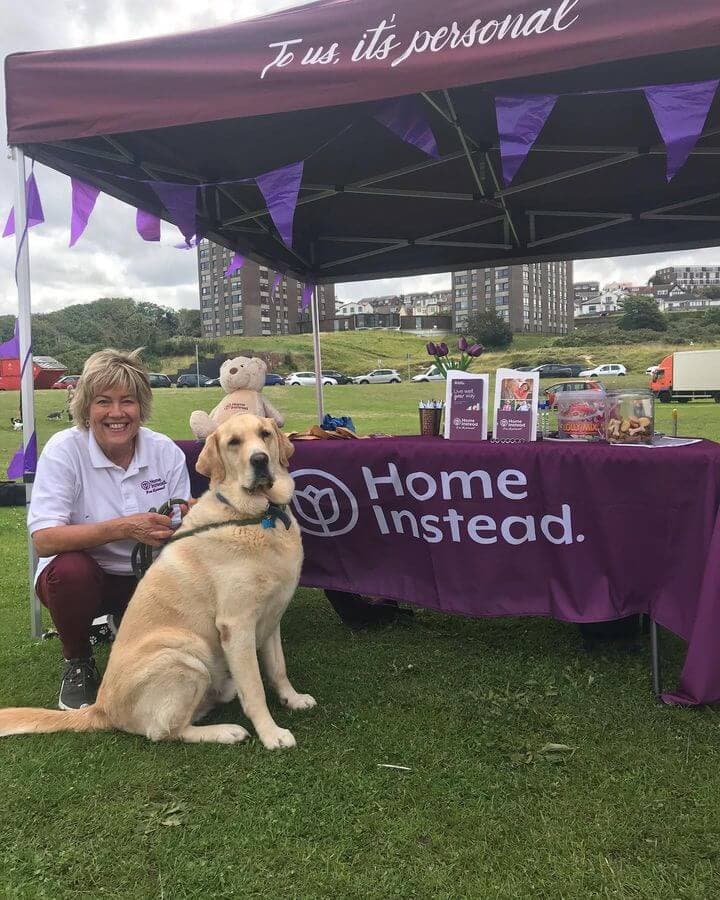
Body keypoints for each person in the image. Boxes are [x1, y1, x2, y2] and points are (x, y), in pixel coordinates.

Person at [28, 349, 192, 710]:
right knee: (71, 571)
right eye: (104, 402)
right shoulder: (64, 450)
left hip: (149, 579)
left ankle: (127, 623)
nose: (116, 414)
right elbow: (45, 540)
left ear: (141, 406)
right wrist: (124, 528)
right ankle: (78, 660)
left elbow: (183, 527)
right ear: (86, 407)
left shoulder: (165, 451)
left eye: (127, 402)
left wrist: (196, 521)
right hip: (83, 581)